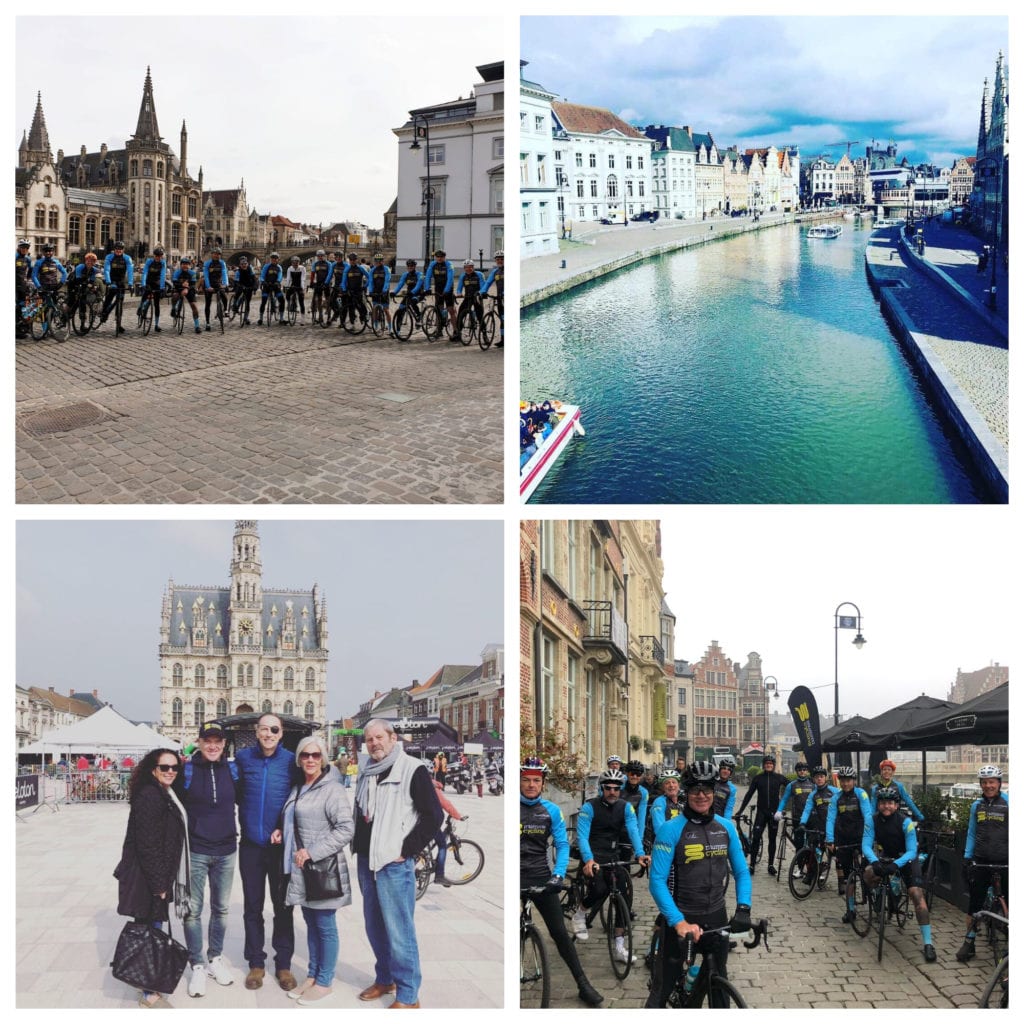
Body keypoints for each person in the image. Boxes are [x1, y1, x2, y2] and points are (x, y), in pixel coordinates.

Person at [352, 718, 442, 1008]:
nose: (374, 743)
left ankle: (408, 994)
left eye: (379, 737)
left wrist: (408, 849)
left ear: (393, 738)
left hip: (393, 861)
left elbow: (433, 816)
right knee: (374, 926)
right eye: (369, 739)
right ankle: (385, 978)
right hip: (367, 860)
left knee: (399, 929)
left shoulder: (412, 769)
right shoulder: (367, 771)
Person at [647, 761, 752, 1008]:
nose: (701, 795)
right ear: (686, 792)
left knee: (719, 989)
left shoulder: (726, 828)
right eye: (695, 790)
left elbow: (742, 872)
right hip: (681, 918)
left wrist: (744, 908)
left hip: (716, 916)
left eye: (707, 789)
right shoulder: (671, 829)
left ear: (714, 792)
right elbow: (657, 881)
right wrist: (677, 921)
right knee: (661, 993)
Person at [519, 757, 603, 1005]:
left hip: (541, 875)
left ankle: (583, 984)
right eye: (525, 780)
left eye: (536, 780)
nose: (531, 785)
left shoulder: (551, 811)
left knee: (560, 934)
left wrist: (558, 874)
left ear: (543, 783)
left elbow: (563, 845)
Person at [113, 748, 189, 1008]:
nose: (170, 771)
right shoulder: (150, 796)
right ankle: (148, 989)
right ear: (153, 769)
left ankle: (146, 981)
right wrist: (159, 884)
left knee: (150, 926)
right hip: (149, 876)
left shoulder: (164, 792)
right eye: (164, 767)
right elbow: (148, 845)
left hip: (156, 873)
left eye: (174, 768)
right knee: (150, 930)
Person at [282, 735, 354, 1004]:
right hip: (303, 868)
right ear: (299, 760)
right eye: (305, 755)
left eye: (315, 755)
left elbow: (346, 828)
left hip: (323, 867)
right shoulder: (300, 786)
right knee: (311, 924)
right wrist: (281, 831)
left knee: (325, 926)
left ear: (323, 758)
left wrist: (312, 851)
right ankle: (312, 976)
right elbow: (293, 818)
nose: (310, 760)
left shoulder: (332, 788)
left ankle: (325, 981)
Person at [235, 712, 297, 991]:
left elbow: (301, 797)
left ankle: (283, 964)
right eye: (264, 729)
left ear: (281, 733)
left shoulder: (290, 761)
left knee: (283, 907)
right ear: (257, 731)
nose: (269, 733)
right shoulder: (244, 758)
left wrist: (284, 827)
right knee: (252, 907)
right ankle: (256, 963)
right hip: (250, 845)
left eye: (274, 729)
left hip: (279, 847)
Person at [179, 721, 240, 997]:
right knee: (193, 910)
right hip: (197, 850)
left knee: (221, 908)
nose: (213, 745)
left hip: (227, 850)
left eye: (217, 741)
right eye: (207, 740)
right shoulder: (188, 770)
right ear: (200, 742)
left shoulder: (233, 769)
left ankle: (215, 957)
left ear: (224, 744)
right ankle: (198, 964)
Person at [574, 768, 649, 956]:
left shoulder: (625, 807)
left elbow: (633, 830)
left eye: (616, 788)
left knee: (623, 897)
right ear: (602, 788)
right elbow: (582, 837)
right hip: (593, 853)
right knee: (599, 889)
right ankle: (580, 912)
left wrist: (639, 854)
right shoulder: (589, 807)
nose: (612, 792)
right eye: (608, 788)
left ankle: (619, 946)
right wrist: (588, 859)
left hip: (613, 854)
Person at [862, 786, 936, 962]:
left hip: (906, 859)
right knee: (868, 874)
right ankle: (878, 896)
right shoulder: (871, 820)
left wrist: (896, 864)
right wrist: (874, 861)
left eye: (890, 803)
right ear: (878, 804)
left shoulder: (906, 822)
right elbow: (865, 845)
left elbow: (912, 851)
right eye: (882, 803)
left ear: (896, 805)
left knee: (917, 895)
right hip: (885, 857)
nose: (886, 806)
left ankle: (928, 943)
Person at [956, 764, 1008, 963]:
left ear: (999, 783)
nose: (988, 786)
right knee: (974, 905)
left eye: (992, 782)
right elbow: (971, 832)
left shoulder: (1009, 803)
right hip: (981, 861)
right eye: (984, 782)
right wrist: (968, 857)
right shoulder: (976, 806)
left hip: (1006, 861)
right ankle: (969, 941)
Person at [825, 765, 871, 921]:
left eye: (848, 781)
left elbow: (868, 816)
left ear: (854, 781)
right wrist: (830, 839)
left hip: (861, 838)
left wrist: (868, 839)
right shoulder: (836, 798)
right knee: (848, 877)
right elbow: (830, 819)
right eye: (843, 781)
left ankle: (874, 895)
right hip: (843, 839)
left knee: (869, 871)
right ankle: (850, 910)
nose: (845, 784)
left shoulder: (861, 794)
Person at [736, 755, 788, 874]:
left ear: (773, 765)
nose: (768, 765)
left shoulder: (779, 778)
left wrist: (783, 807)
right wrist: (740, 810)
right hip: (761, 812)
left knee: (772, 839)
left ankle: (770, 865)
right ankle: (752, 865)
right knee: (756, 838)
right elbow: (749, 794)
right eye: (766, 763)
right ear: (763, 765)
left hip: (774, 814)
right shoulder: (758, 778)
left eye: (771, 763)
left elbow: (791, 788)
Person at [799, 766, 840, 881]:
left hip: (834, 827)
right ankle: (812, 873)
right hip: (819, 826)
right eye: (817, 777)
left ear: (825, 778)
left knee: (837, 854)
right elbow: (807, 810)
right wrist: (802, 823)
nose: (819, 779)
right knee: (813, 849)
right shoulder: (813, 795)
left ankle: (842, 880)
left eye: (821, 776)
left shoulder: (835, 791)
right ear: (814, 779)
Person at [430, 776, 464, 885]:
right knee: (442, 845)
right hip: (430, 822)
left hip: (415, 820)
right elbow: (445, 803)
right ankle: (439, 875)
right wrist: (457, 816)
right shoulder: (433, 786)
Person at [774, 760, 814, 852]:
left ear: (807, 771)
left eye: (804, 769)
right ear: (796, 771)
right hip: (797, 817)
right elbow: (784, 799)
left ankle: (810, 863)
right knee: (798, 843)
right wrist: (779, 810)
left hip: (811, 818)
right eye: (800, 770)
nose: (802, 771)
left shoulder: (813, 785)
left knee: (811, 843)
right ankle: (800, 863)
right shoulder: (791, 785)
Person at [417, 249, 454, 337]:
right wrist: (427, 288)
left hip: (448, 289)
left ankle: (456, 331)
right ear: (436, 258)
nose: (439, 258)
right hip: (438, 289)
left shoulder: (449, 265)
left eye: (441, 257)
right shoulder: (433, 264)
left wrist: (447, 289)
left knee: (451, 310)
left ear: (444, 257)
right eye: (438, 257)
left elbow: (450, 278)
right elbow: (428, 277)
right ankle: (439, 329)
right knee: (438, 309)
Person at [100, 240, 134, 333]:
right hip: (112, 280)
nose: (118, 251)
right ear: (114, 249)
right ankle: (104, 313)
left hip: (121, 281)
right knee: (110, 297)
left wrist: (131, 284)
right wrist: (108, 281)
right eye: (117, 249)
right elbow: (107, 269)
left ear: (123, 250)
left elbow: (130, 272)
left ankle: (118, 324)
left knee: (120, 303)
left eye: (120, 249)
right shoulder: (109, 257)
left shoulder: (127, 258)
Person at [453, 259, 484, 341]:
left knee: (480, 315)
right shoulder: (463, 276)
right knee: (460, 313)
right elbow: (459, 287)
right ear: (464, 268)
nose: (468, 269)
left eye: (470, 267)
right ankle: (458, 333)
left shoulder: (479, 274)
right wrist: (459, 293)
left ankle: (484, 335)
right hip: (467, 298)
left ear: (473, 267)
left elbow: (483, 286)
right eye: (466, 267)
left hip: (477, 298)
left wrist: (480, 293)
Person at [138, 246, 168, 332]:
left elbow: (163, 275)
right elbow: (145, 273)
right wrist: (143, 283)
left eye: (160, 256)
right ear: (154, 256)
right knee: (145, 295)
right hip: (149, 281)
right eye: (157, 256)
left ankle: (156, 325)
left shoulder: (163, 263)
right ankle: (141, 307)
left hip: (157, 283)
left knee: (157, 305)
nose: (158, 257)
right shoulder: (149, 261)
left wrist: (162, 287)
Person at [172, 257, 203, 334]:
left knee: (194, 306)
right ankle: (173, 309)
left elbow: (193, 284)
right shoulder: (177, 272)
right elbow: (175, 283)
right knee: (175, 295)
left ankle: (197, 326)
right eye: (183, 264)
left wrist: (186, 288)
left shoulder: (192, 273)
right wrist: (182, 285)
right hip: (178, 288)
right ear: (181, 265)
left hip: (189, 289)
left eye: (186, 264)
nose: (185, 266)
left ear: (189, 265)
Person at [202, 246, 230, 331]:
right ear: (212, 254)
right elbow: (206, 275)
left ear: (220, 255)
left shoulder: (222, 263)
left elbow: (224, 274)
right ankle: (207, 323)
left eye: (218, 254)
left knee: (224, 296)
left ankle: (225, 310)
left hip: (218, 283)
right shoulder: (207, 263)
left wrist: (225, 284)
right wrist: (208, 286)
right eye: (215, 254)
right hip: (209, 283)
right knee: (208, 303)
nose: (216, 256)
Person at [649, 767, 684, 832]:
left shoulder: (683, 801)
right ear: (663, 787)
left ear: (678, 785)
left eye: (674, 782)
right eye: (667, 783)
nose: (671, 785)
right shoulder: (659, 802)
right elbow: (659, 828)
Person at [340, 253, 369, 329]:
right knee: (351, 308)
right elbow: (343, 281)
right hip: (350, 291)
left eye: (354, 260)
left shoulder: (361, 268)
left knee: (360, 305)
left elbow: (370, 277)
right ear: (349, 261)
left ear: (357, 260)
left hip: (359, 290)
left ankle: (364, 316)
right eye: (351, 260)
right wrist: (344, 289)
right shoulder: (347, 269)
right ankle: (352, 323)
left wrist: (365, 286)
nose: (352, 261)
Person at [481, 251, 503, 347]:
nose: (500, 261)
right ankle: (503, 339)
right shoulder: (495, 271)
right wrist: (482, 292)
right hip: (499, 298)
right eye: (498, 259)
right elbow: (488, 283)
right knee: (502, 319)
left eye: (502, 259)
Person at [258, 253, 285, 326]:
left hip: (275, 285)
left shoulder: (279, 267)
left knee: (282, 300)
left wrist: (278, 281)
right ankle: (260, 319)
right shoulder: (267, 266)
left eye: (275, 258)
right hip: (267, 285)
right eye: (272, 258)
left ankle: (281, 319)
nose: (274, 260)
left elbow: (280, 275)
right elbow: (262, 275)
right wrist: (263, 281)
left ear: (278, 259)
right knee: (263, 301)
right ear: (271, 259)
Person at [366, 252, 391, 332]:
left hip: (384, 292)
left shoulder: (386, 269)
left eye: (379, 261)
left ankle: (390, 328)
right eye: (376, 261)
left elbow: (387, 280)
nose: (377, 262)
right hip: (376, 292)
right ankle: (375, 325)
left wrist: (384, 290)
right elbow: (370, 281)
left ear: (382, 261)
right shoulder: (372, 270)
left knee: (386, 310)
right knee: (375, 310)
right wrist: (370, 291)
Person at [231, 256, 257, 324]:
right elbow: (236, 282)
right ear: (240, 265)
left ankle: (246, 318)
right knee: (238, 293)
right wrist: (241, 286)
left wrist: (255, 287)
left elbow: (254, 279)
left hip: (249, 286)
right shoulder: (238, 271)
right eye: (242, 264)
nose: (244, 265)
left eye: (245, 264)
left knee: (247, 303)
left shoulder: (250, 269)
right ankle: (235, 305)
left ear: (247, 264)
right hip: (241, 284)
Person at [284, 255, 307, 325]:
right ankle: (289, 303)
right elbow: (288, 278)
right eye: (294, 263)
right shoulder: (290, 268)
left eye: (296, 263)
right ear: (291, 263)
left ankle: (303, 319)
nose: (295, 264)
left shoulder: (302, 268)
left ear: (299, 263)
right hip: (293, 284)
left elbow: (303, 278)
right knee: (287, 294)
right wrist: (287, 286)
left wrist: (302, 288)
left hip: (299, 285)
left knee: (301, 301)